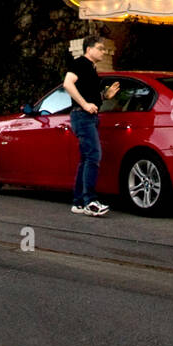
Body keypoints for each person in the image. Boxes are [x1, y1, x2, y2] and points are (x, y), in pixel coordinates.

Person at [63, 37, 120, 216]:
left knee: (86, 158)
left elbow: (89, 94)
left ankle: (79, 202)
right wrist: (85, 104)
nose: (103, 52)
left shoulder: (91, 69)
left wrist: (105, 96)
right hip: (82, 115)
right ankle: (90, 201)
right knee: (94, 155)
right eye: (100, 48)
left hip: (89, 116)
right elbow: (67, 83)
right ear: (89, 49)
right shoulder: (81, 62)